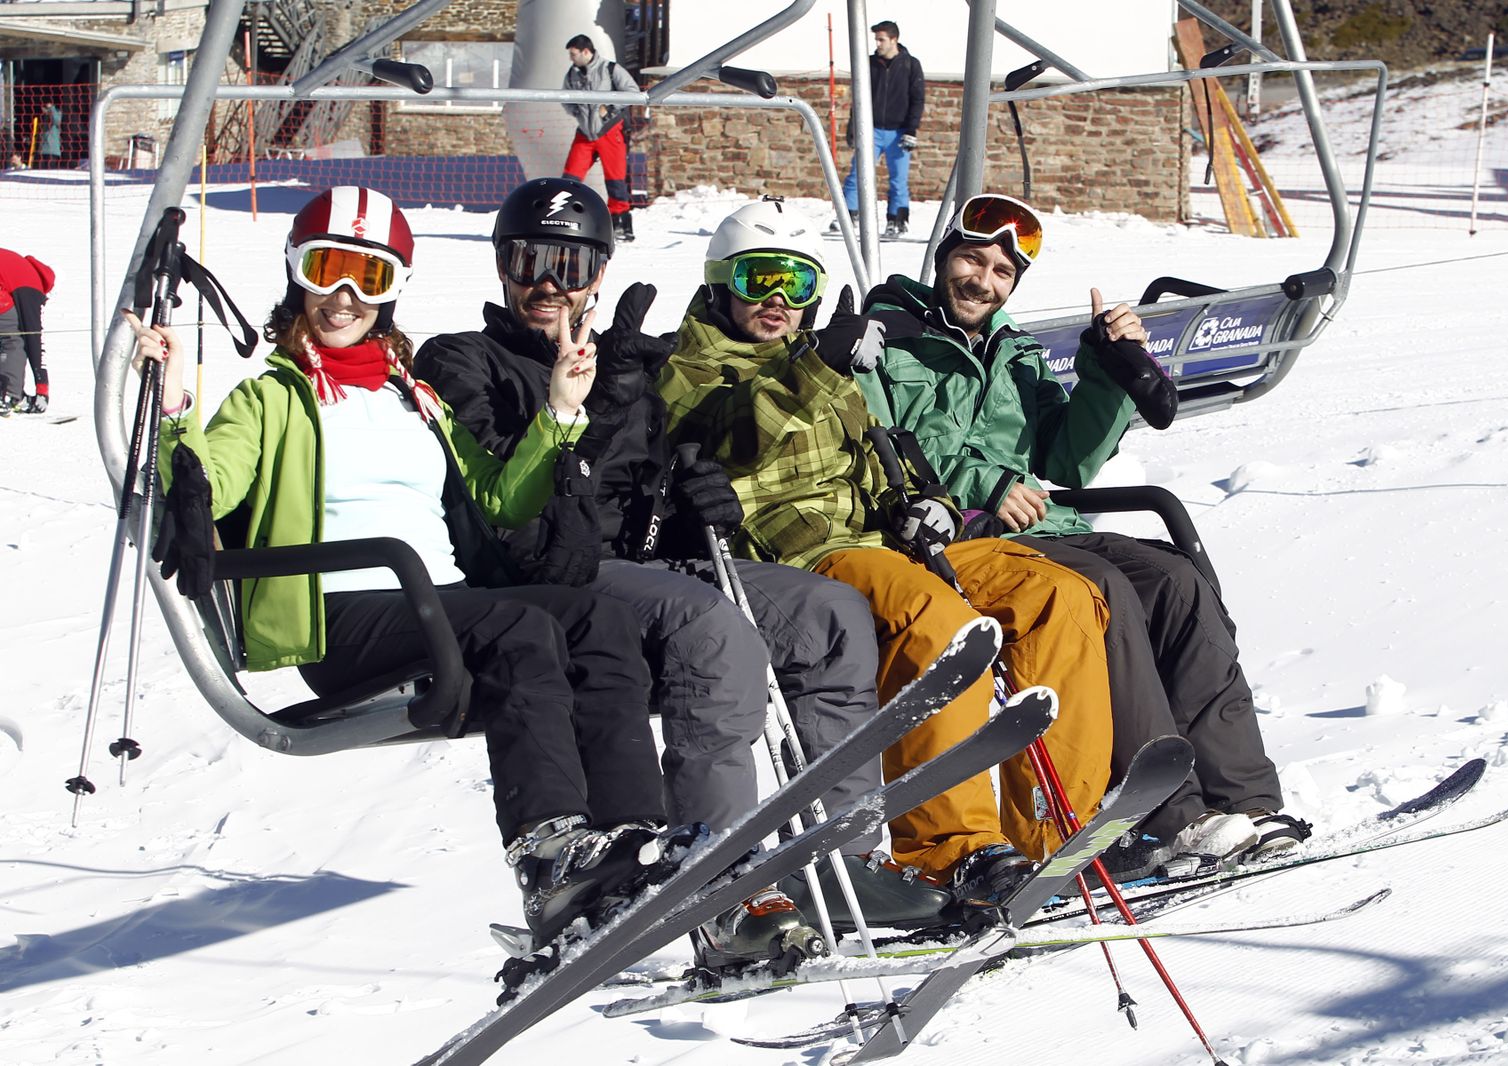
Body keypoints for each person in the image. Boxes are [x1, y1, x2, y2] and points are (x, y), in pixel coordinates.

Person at [125, 186, 682, 954]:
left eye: (370, 277)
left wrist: (559, 410)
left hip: (433, 605)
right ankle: (549, 853)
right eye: (328, 271)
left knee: (597, 617)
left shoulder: (412, 395)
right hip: (339, 613)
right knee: (517, 626)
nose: (345, 297)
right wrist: (176, 402)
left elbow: (499, 496)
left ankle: (629, 842)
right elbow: (201, 484)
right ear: (298, 276)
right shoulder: (271, 399)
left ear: (391, 291)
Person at [414, 177, 944, 972]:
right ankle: (720, 884)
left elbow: (642, 489)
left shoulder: (621, 359)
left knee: (832, 615)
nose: (549, 284)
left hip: (646, 561)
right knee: (710, 627)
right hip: (552, 577)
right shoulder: (464, 360)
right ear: (501, 267)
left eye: (571, 262)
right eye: (530, 260)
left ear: (598, 273)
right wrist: (603, 404)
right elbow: (520, 517)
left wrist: (696, 491)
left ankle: (844, 861)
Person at [656, 197, 1117, 904]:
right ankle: (953, 848)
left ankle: (1054, 836)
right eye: (758, 280)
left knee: (1057, 596)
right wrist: (815, 368)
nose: (779, 300)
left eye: (797, 283)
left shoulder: (813, 359)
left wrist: (914, 497)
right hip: (804, 554)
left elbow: (875, 450)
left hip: (885, 536)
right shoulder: (690, 365)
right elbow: (731, 431)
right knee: (936, 619)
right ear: (721, 282)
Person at [856, 192, 1311, 875]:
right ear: (944, 257)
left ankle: (1244, 797)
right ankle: (1168, 815)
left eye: (1001, 273)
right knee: (1100, 590)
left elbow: (1068, 460)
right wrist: (983, 485)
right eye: (970, 260)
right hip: (948, 534)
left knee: (1174, 581)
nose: (982, 280)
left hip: (1042, 528)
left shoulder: (1014, 352)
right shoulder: (888, 336)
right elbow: (877, 445)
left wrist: (1107, 367)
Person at [834, 21, 924, 240]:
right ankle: (848, 215)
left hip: (899, 131)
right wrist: (853, 127)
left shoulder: (910, 65)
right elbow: (859, 97)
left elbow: (917, 99)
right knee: (858, 174)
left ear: (894, 39)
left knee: (898, 179)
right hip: (871, 129)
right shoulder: (869, 64)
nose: (878, 43)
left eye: (882, 39)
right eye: (876, 39)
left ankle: (897, 220)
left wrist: (911, 129)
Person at [561, 34, 639, 244]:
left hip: (609, 130)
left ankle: (620, 222)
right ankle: (563, 217)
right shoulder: (572, 74)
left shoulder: (610, 70)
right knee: (570, 178)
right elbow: (564, 97)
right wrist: (577, 112)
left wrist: (611, 109)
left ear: (586, 52)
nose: (571, 58)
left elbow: (633, 91)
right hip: (585, 133)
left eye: (573, 54)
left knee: (615, 179)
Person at [0, 247, 54, 414]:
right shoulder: (32, 286)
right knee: (13, 340)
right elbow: (34, 338)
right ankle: (9, 396)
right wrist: (42, 388)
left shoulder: (16, 264)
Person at [38, 97, 63, 168]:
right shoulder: (43, 118)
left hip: (52, 151)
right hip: (42, 150)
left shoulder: (57, 113)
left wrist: (51, 109)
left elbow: (56, 121)